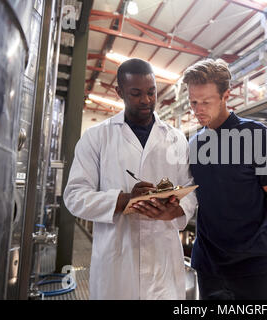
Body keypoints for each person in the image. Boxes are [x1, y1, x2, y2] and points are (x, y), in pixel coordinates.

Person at [63, 58, 197, 300]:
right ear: (119, 92)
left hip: (162, 261)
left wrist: (174, 210)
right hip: (117, 261)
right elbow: (74, 197)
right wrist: (124, 200)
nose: (146, 100)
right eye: (136, 93)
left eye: (151, 92)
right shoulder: (97, 137)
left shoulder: (175, 139)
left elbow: (189, 189)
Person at [182, 58, 267, 300]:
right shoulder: (194, 143)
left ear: (225, 96)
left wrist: (261, 244)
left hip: (252, 267)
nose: (198, 110)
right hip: (208, 266)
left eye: (206, 102)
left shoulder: (254, 135)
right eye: (193, 102)